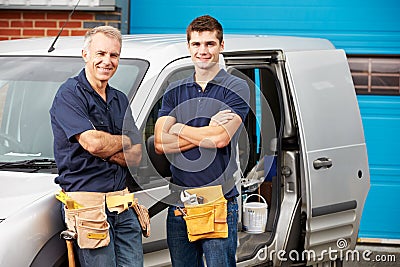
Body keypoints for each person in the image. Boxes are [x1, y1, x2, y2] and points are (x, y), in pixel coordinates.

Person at [154, 15, 250, 267]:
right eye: (196, 44)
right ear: (188, 47)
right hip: (180, 203)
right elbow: (160, 144)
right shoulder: (175, 89)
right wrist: (205, 131)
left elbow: (220, 139)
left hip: (219, 200)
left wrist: (177, 127)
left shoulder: (237, 87)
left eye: (209, 44)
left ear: (221, 46)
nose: (203, 51)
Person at [50, 26, 143, 267]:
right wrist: (124, 140)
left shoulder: (119, 99)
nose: (107, 61)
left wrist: (106, 147)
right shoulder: (69, 95)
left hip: (122, 204)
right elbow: (93, 144)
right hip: (87, 207)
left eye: (114, 55)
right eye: (100, 53)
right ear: (85, 54)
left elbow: (136, 156)